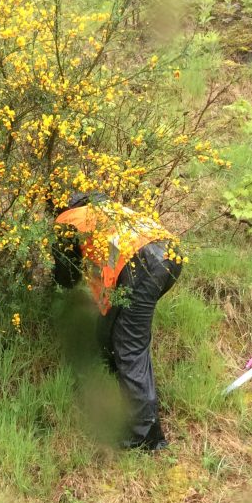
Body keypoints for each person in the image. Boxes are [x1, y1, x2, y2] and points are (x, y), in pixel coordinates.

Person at [52, 191, 182, 451]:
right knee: (115, 328)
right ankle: (130, 394)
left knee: (129, 344)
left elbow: (67, 277)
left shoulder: (67, 222)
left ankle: (145, 434)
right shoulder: (105, 209)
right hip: (170, 254)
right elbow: (110, 270)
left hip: (144, 264)